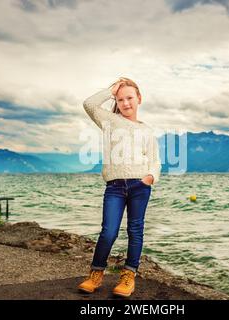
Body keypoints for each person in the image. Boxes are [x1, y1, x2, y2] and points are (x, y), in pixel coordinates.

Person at [78, 77, 161, 297]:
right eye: (120, 99)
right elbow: (89, 104)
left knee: (135, 231)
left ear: (139, 99)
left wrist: (150, 177)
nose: (125, 103)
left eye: (130, 98)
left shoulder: (147, 131)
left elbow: (155, 160)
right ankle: (95, 274)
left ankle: (128, 276)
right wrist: (110, 90)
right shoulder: (109, 121)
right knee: (108, 231)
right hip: (114, 187)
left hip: (140, 186)